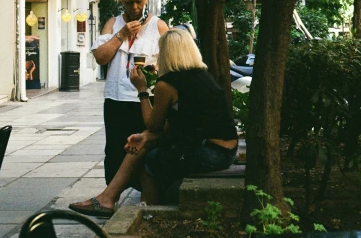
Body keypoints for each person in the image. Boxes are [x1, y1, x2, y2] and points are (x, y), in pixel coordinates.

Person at [69, 28, 238, 216]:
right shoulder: (203, 76)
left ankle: (148, 214)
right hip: (226, 150)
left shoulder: (167, 83)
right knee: (144, 144)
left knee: (150, 162)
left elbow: (153, 124)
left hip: (209, 153)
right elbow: (180, 122)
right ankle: (108, 199)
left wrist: (141, 90)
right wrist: (146, 136)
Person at [91, 0, 168, 187]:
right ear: (121, 1)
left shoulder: (158, 26)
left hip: (145, 99)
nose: (134, 7)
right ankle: (110, 198)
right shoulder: (113, 23)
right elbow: (101, 58)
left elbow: (171, 61)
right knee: (114, 149)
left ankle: (146, 193)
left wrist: (156, 67)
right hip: (116, 98)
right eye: (128, 2)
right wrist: (122, 34)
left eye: (138, 2)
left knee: (144, 149)